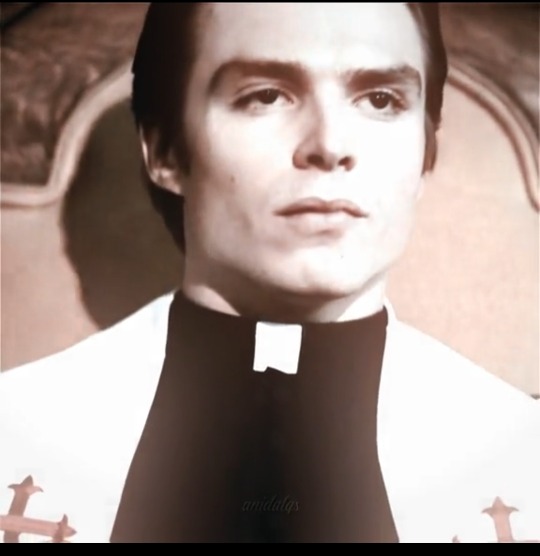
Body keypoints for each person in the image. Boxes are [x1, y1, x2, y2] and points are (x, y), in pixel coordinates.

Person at [1, 2, 538, 543]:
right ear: (165, 152)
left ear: (425, 155)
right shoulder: (19, 435)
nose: (330, 145)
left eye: (381, 100)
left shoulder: (519, 458)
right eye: (265, 96)